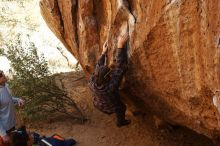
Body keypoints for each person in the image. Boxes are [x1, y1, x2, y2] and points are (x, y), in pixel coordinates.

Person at [88, 33, 130, 127]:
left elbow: (98, 67)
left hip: (98, 103)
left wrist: (103, 53)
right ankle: (120, 122)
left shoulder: (92, 81)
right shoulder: (110, 87)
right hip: (109, 106)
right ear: (108, 78)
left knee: (113, 101)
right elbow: (120, 68)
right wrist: (120, 45)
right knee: (121, 107)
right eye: (110, 73)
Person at [0, 70, 24, 145]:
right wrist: (3, 134)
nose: (4, 76)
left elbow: (9, 98)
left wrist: (18, 100)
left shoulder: (6, 86)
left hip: (12, 124)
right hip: (4, 129)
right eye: (1, 75)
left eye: (3, 74)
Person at [9, 126, 76, 146]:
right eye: (30, 134)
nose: (32, 135)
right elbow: (70, 142)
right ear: (27, 142)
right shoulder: (45, 142)